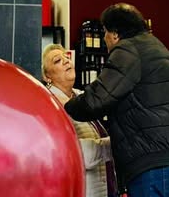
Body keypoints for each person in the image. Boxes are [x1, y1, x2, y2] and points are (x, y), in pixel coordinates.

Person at [65, 4, 169, 197]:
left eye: (105, 32)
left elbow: (96, 99)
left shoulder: (128, 50)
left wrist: (62, 108)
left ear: (115, 34)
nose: (104, 38)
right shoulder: (162, 51)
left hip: (152, 167)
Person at [42, 44, 115, 197]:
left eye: (66, 57)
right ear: (47, 77)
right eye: (57, 60)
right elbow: (74, 153)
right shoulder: (50, 105)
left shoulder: (82, 97)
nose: (66, 61)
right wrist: (113, 145)